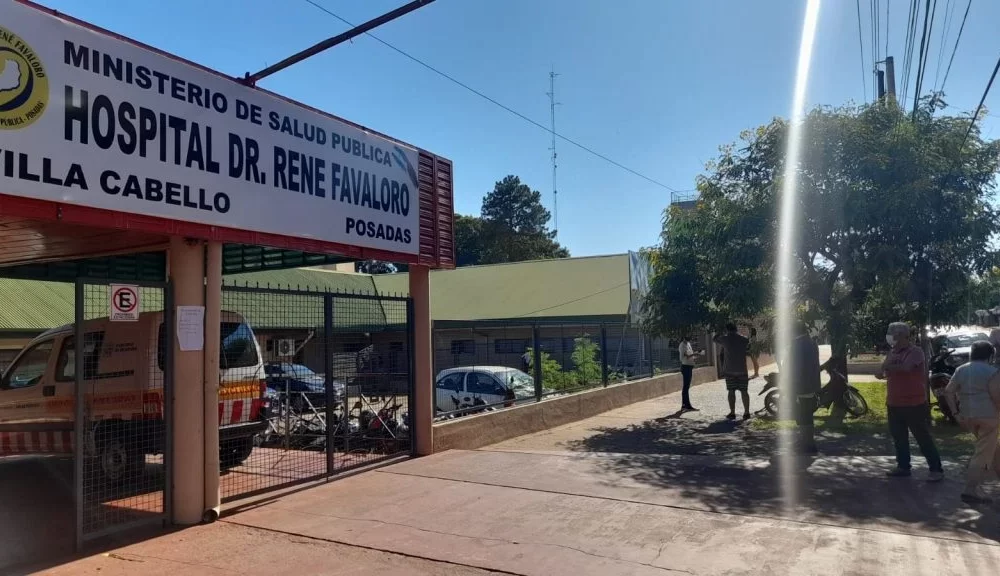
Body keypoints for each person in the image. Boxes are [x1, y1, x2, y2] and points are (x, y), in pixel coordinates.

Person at [876, 322, 944, 481]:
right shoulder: (892, 352)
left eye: (892, 333)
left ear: (902, 335)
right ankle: (903, 466)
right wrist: (886, 369)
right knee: (899, 437)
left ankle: (936, 469)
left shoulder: (916, 352)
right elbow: (882, 369)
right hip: (893, 402)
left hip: (914, 404)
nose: (890, 337)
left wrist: (889, 367)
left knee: (922, 437)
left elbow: (906, 368)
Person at [944, 340, 1000, 504]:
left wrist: (955, 413)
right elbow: (997, 396)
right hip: (989, 417)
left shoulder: (961, 370)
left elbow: (948, 392)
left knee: (991, 447)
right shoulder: (992, 372)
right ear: (990, 356)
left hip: (968, 416)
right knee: (982, 453)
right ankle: (970, 489)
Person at [785, 321, 820, 453]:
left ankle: (808, 444)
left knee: (803, 415)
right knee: (807, 414)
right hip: (811, 385)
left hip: (800, 386)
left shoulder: (796, 345)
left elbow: (796, 368)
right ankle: (807, 441)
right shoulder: (812, 342)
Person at [714, 323, 751, 420]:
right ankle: (746, 412)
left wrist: (720, 331)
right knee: (744, 391)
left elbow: (714, 339)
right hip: (742, 370)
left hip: (729, 371)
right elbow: (748, 343)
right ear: (736, 329)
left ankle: (732, 412)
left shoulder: (725, 339)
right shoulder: (743, 339)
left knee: (731, 391)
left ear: (727, 330)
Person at [678, 335, 699, 411]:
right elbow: (686, 356)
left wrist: (695, 358)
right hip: (685, 367)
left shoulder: (688, 344)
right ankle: (685, 405)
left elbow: (690, 356)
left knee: (687, 386)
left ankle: (686, 405)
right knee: (686, 386)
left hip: (689, 366)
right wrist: (694, 354)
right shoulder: (682, 345)